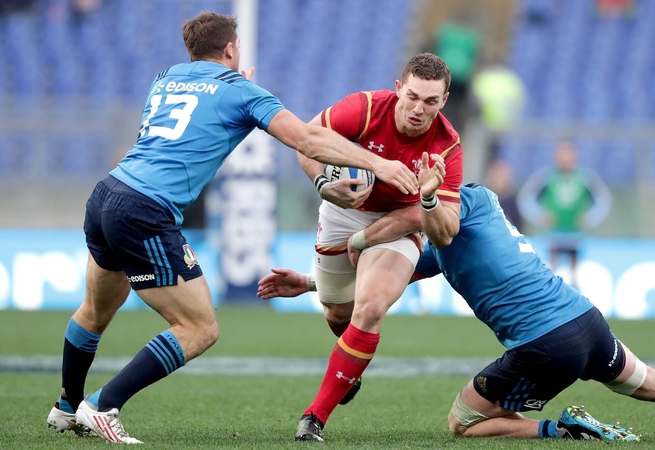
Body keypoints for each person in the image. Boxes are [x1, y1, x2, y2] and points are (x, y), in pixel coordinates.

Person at [45, 11, 417, 444]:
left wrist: (240, 88)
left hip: (108, 193)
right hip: (145, 210)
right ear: (230, 49)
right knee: (199, 328)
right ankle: (103, 405)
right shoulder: (241, 91)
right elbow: (307, 139)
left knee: (95, 309)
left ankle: (66, 406)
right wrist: (379, 163)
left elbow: (205, 108)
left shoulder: (167, 77)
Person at [259, 171, 655, 441]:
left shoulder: (458, 203)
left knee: (463, 422)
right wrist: (310, 283)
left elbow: (403, 226)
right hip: (583, 320)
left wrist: (356, 238)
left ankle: (563, 431)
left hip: (545, 343)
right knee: (649, 381)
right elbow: (392, 276)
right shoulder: (463, 226)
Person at [287, 53, 463, 441]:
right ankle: (347, 366)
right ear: (398, 89)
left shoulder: (447, 146)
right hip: (343, 209)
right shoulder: (364, 109)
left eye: (431, 102)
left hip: (400, 223)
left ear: (444, 101)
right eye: (412, 97)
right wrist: (322, 183)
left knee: (369, 308)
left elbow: (444, 229)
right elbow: (303, 141)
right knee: (338, 311)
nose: (418, 110)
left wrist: (429, 200)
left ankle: (314, 418)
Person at [516, 140, 611, 288]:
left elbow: (603, 200)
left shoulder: (585, 178)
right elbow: (526, 197)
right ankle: (549, 295)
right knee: (551, 270)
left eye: (568, 154)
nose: (565, 158)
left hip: (576, 234)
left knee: (574, 271)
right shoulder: (547, 177)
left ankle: (575, 294)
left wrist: (590, 218)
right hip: (553, 234)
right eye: (562, 154)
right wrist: (539, 215)